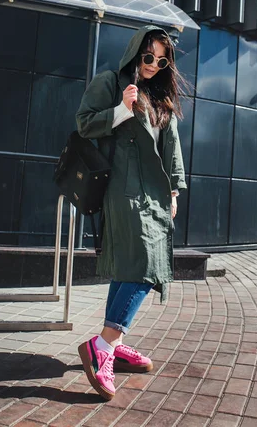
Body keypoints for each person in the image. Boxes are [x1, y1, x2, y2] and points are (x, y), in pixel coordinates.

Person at [76, 25, 187, 400]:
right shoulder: (110, 82)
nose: (154, 65)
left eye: (161, 59)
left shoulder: (160, 97)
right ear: (134, 53)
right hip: (122, 192)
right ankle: (104, 346)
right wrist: (122, 110)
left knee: (129, 266)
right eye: (147, 57)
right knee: (146, 265)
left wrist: (173, 189)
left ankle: (114, 339)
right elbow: (84, 122)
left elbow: (171, 146)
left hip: (154, 196)